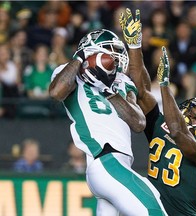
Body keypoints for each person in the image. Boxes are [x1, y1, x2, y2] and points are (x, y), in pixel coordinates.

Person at [49, 29, 167, 215]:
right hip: (105, 159)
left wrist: (108, 91)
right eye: (110, 50)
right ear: (92, 50)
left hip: (117, 164)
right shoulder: (71, 73)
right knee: (153, 208)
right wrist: (81, 58)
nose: (116, 57)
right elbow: (56, 92)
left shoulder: (122, 81)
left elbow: (138, 123)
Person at [120, 8, 196, 215]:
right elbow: (141, 92)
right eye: (193, 109)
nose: (192, 114)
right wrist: (134, 45)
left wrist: (165, 85)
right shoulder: (162, 124)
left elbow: (178, 132)